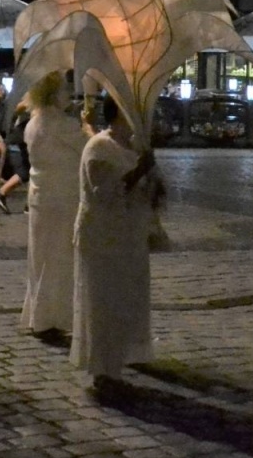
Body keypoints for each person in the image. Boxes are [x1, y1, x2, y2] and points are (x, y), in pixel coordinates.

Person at [71, 98, 157, 388]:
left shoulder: (130, 146)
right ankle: (103, 369)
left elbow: (148, 192)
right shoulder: (99, 147)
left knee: (123, 300)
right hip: (102, 236)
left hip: (127, 236)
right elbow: (105, 192)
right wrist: (139, 171)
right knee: (103, 301)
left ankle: (118, 360)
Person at [20, 72, 87, 335]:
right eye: (64, 89)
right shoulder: (62, 124)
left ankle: (38, 313)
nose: (68, 93)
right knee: (60, 257)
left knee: (39, 256)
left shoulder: (33, 123)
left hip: (39, 195)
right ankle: (53, 317)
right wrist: (88, 124)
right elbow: (88, 147)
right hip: (63, 196)